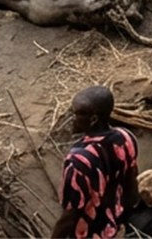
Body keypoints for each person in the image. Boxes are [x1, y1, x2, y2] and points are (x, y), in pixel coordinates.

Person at [51, 85, 138, 239]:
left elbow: (70, 216)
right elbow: (131, 184)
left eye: (78, 114)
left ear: (93, 119)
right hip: (114, 225)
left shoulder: (77, 161)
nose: (72, 119)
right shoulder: (125, 138)